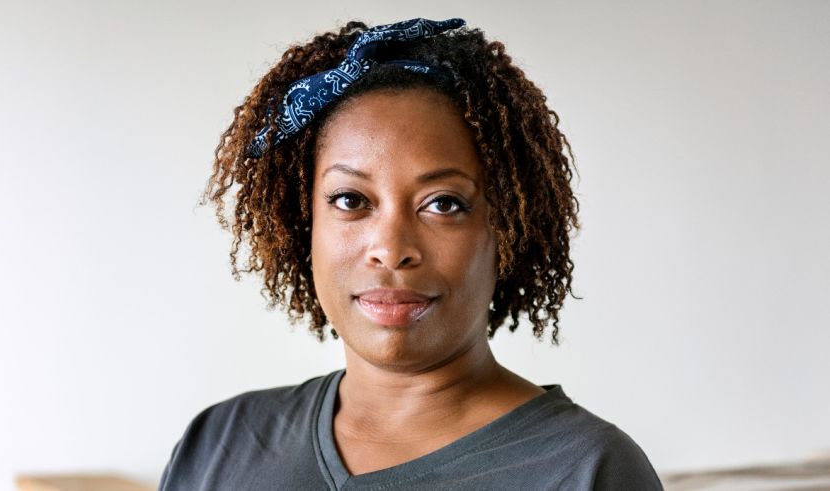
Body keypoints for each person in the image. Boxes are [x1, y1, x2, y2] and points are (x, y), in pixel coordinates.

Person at [158, 17, 664, 490]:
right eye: (351, 200)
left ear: (507, 228)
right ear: (302, 223)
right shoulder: (219, 443)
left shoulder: (587, 469)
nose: (392, 249)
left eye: (443, 204)